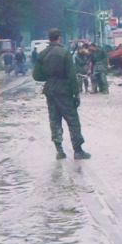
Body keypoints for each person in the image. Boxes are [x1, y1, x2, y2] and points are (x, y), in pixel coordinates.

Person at [35, 28, 91, 160]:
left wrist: (49, 78)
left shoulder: (42, 54)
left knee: (54, 120)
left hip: (50, 91)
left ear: (49, 39)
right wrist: (76, 94)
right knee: (73, 121)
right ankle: (77, 151)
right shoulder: (65, 53)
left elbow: (36, 75)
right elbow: (71, 76)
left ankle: (59, 151)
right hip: (64, 91)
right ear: (59, 38)